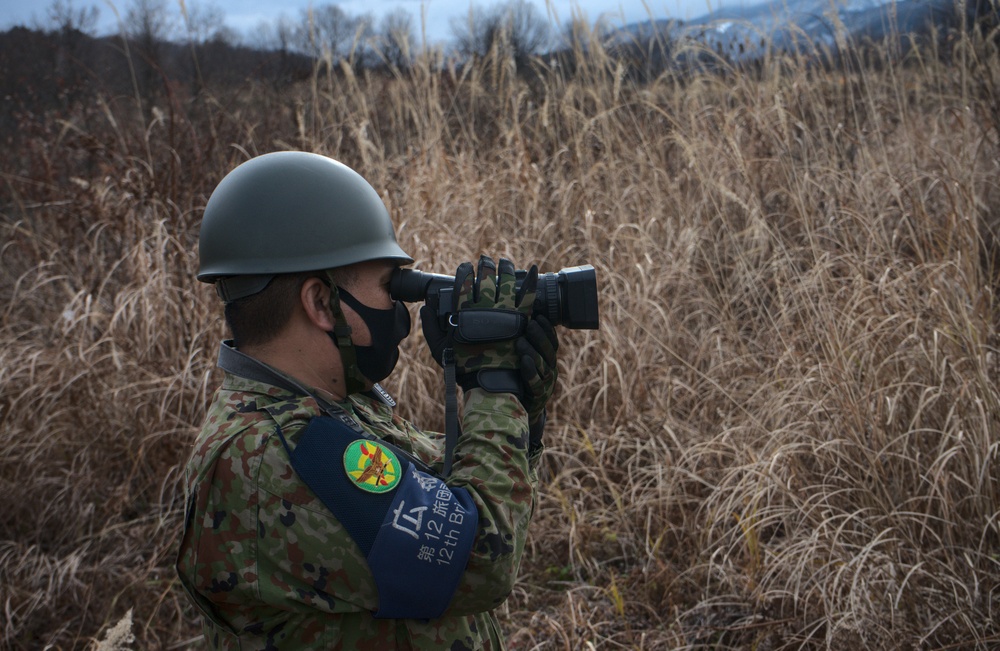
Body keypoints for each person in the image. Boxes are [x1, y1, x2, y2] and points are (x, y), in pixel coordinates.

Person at [176, 151, 559, 650]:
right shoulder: (267, 457)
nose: (400, 309)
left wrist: (521, 410)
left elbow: (446, 496)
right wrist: (493, 386)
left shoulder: (325, 407)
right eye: (389, 286)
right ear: (320, 303)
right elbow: (480, 557)